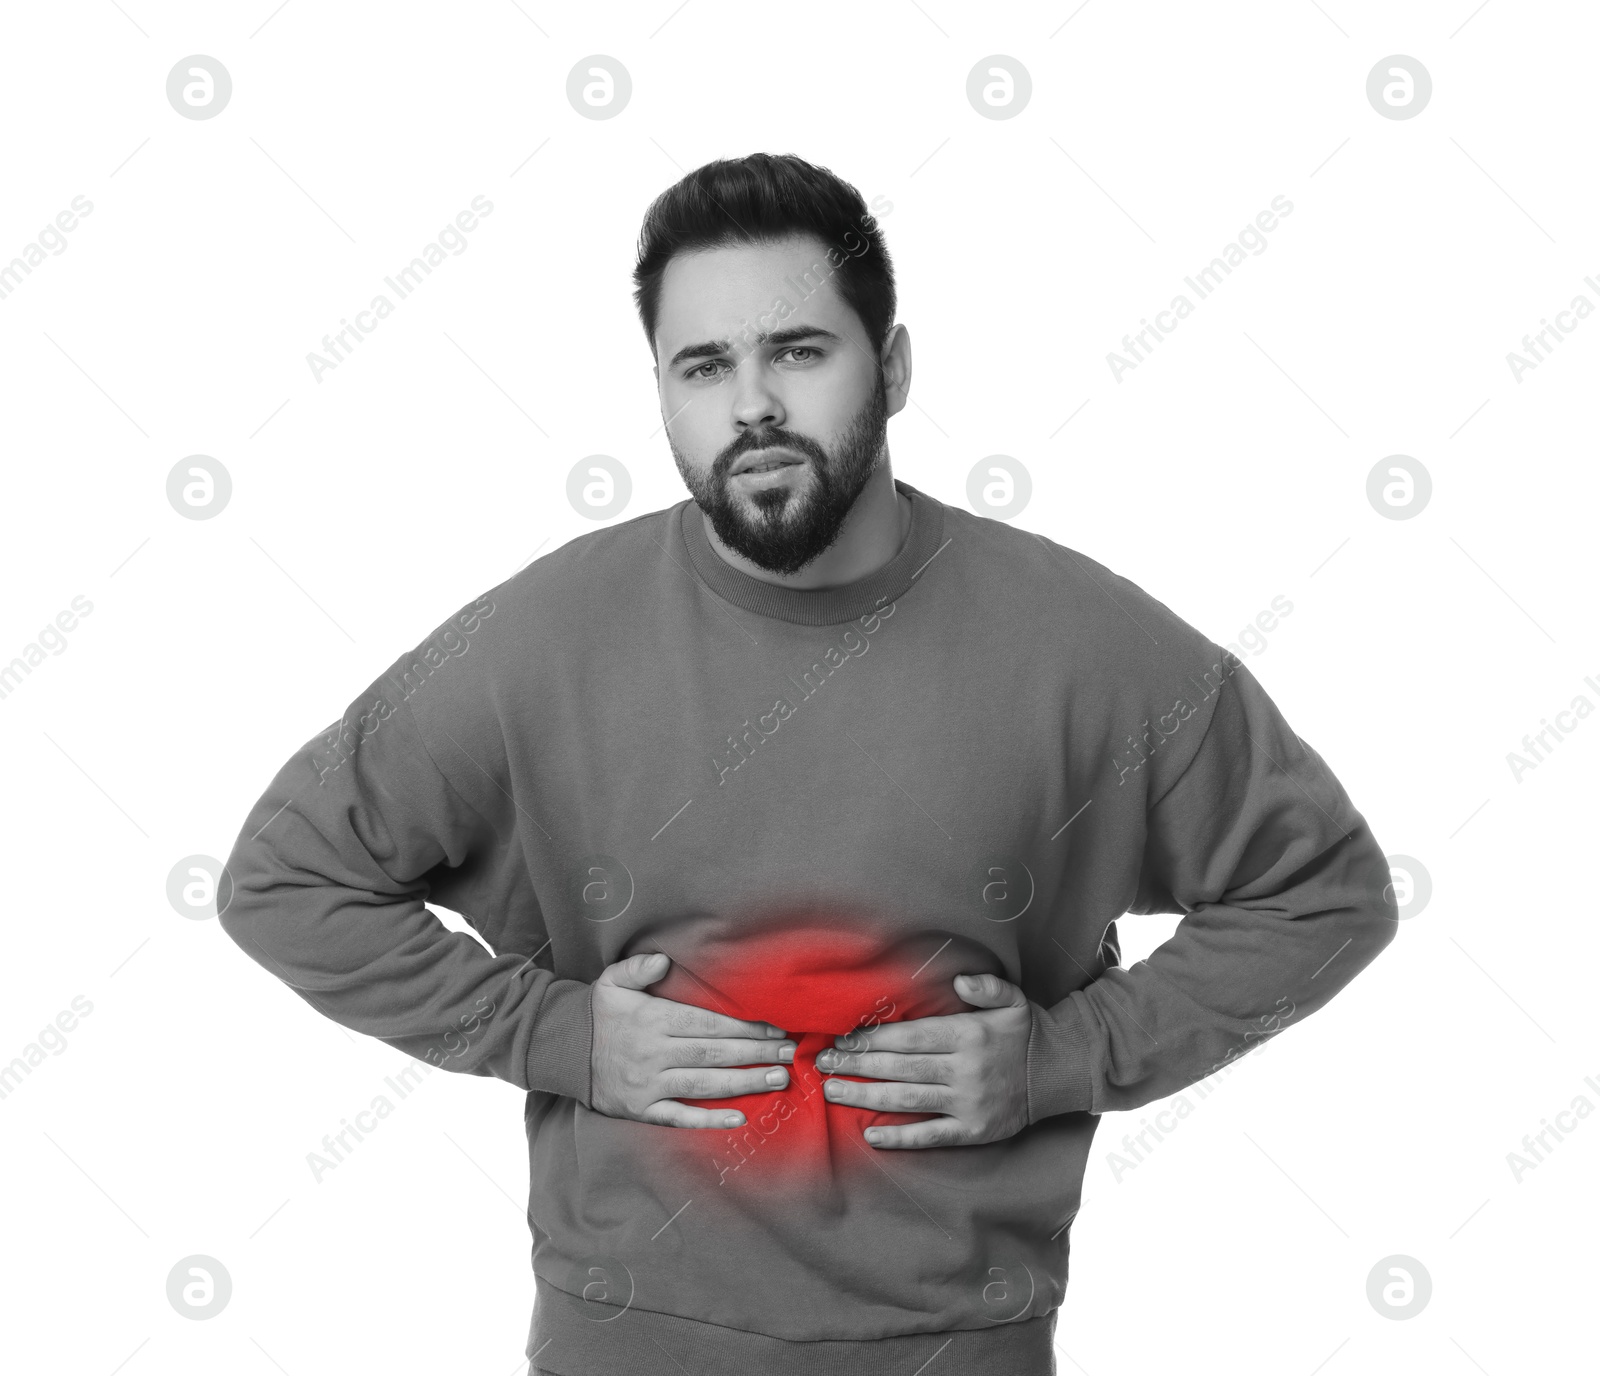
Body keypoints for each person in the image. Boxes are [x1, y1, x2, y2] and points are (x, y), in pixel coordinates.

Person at [218, 152, 1398, 1376]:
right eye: (704, 366)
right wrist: (553, 1034)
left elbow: (1323, 893)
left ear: (889, 368)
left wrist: (1067, 1057)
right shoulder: (546, 637)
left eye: (797, 350)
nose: (752, 407)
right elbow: (286, 879)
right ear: (663, 393)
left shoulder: (1083, 645)